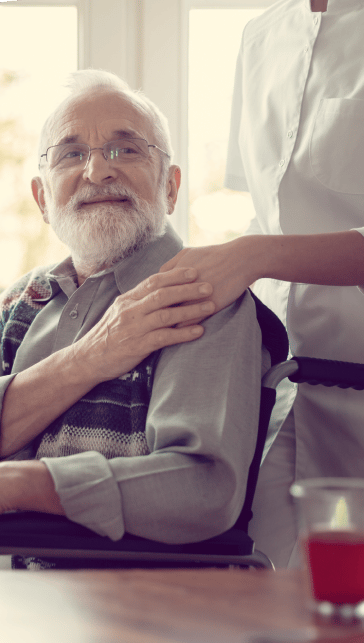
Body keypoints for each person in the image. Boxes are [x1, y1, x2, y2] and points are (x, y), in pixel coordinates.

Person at [0, 69, 272, 570]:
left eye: (126, 149)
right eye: (71, 154)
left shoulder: (201, 293)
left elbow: (203, 490)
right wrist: (88, 360)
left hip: (120, 613)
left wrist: (13, 485)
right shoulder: (21, 302)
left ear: (170, 187)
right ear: (43, 198)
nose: (97, 171)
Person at [161, 0, 364, 568]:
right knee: (267, 597)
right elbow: (268, 216)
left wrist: (254, 255)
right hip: (278, 387)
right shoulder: (260, 35)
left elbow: (265, 244)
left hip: (357, 378)